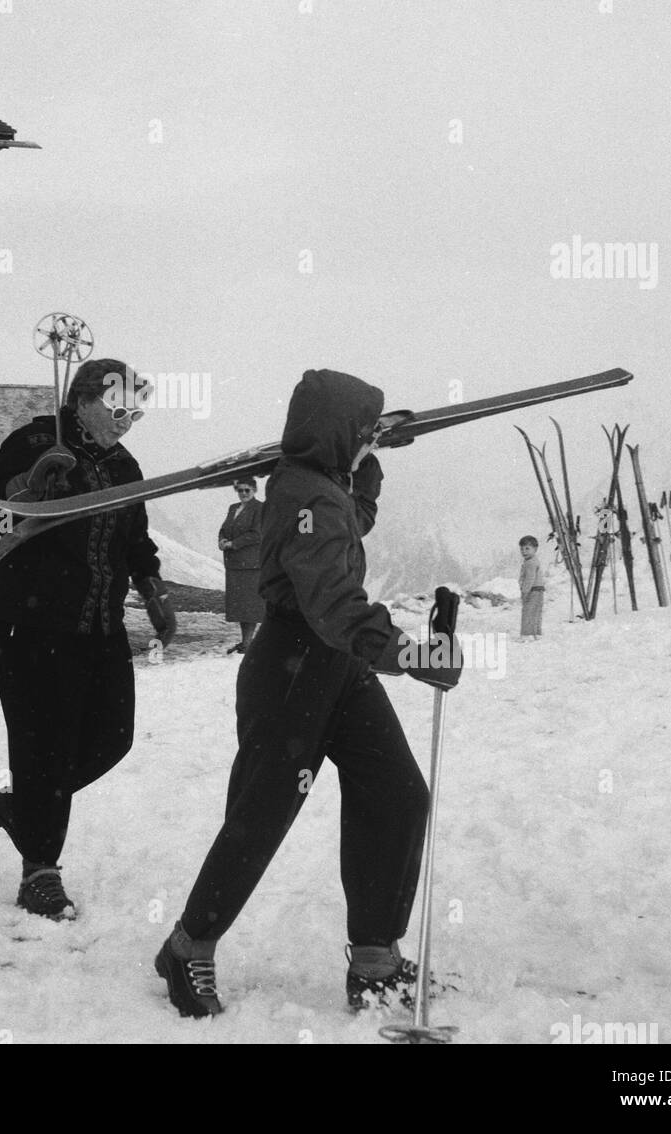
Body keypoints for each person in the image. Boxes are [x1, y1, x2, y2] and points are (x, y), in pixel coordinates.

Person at [153, 369, 462, 1019]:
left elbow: (351, 524)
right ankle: (188, 945)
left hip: (337, 669)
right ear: (337, 432)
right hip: (291, 672)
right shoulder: (302, 495)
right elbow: (332, 604)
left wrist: (369, 464)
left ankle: (374, 956)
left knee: (397, 792)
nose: (368, 439)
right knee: (261, 817)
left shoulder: (320, 489)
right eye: (364, 430)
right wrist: (407, 652)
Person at [0, 357, 177, 921]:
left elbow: (135, 537)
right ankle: (39, 869)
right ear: (85, 398)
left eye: (136, 411)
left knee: (113, 736)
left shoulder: (125, 464)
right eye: (118, 409)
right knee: (44, 744)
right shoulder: (35, 440)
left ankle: (23, 809)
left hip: (100, 624)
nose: (127, 420)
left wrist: (153, 587)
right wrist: (32, 486)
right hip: (32, 624)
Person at [218, 477, 264, 653]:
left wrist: (233, 543)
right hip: (235, 563)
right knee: (241, 605)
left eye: (247, 490)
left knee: (250, 605)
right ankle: (246, 641)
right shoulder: (233, 508)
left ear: (254, 490)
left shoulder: (259, 508)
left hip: (250, 564)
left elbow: (257, 534)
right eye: (240, 490)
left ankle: (248, 643)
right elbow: (224, 528)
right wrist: (222, 540)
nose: (243, 493)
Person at [518, 535, 544, 640]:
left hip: (532, 590)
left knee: (528, 612)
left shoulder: (530, 563)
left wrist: (525, 592)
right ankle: (536, 632)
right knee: (536, 612)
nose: (524, 551)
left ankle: (527, 634)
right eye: (522, 549)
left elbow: (529, 578)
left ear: (535, 549)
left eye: (527, 548)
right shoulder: (534, 560)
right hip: (538, 590)